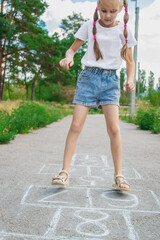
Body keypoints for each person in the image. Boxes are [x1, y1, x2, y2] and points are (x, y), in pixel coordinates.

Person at [51, 0, 137, 191]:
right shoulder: (89, 26)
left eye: (113, 11)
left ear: (121, 9)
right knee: (76, 125)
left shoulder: (125, 31)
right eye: (104, 10)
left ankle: (118, 175)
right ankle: (64, 172)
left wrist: (130, 79)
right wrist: (69, 57)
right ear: (98, 6)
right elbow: (72, 49)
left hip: (111, 81)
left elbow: (130, 61)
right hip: (88, 78)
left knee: (114, 128)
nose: (107, 15)